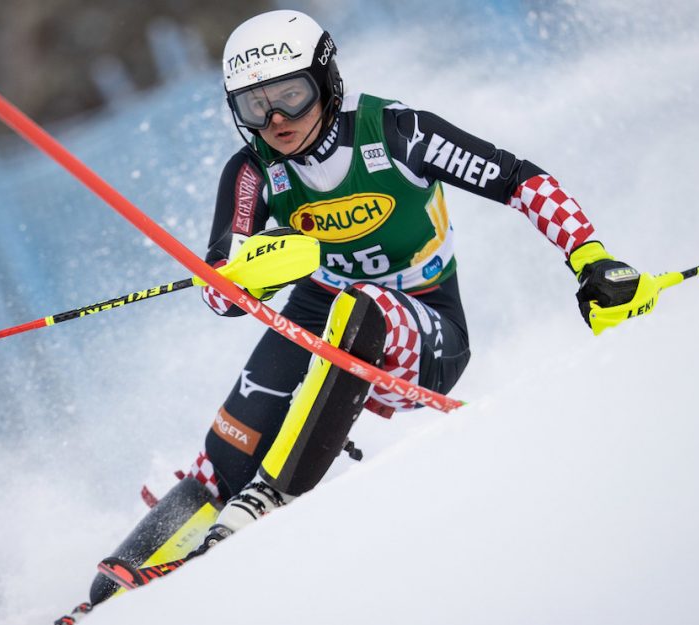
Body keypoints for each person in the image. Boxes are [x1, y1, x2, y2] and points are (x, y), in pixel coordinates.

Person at [76, 8, 664, 611]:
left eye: (291, 96)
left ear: (326, 82)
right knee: (229, 447)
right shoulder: (253, 172)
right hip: (320, 308)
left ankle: (271, 497)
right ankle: (116, 586)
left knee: (362, 307)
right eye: (256, 106)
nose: (276, 119)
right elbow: (218, 284)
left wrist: (590, 258)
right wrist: (240, 280)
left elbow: (519, 180)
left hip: (427, 324)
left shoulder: (397, 132)